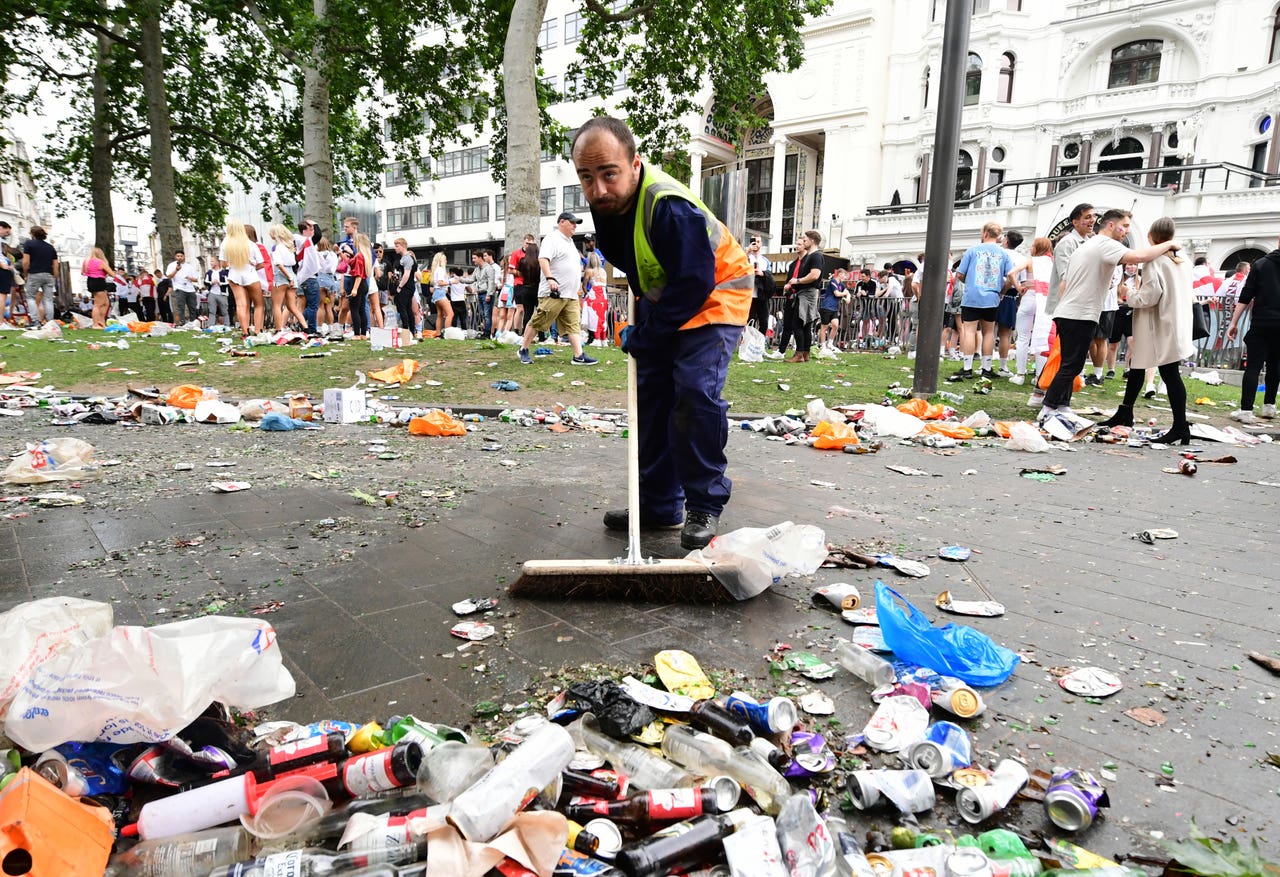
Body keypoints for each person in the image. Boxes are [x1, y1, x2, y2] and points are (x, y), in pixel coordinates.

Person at [573, 115, 752, 550]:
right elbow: (640, 263)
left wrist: (650, 335)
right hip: (669, 299)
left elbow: (694, 281)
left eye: (609, 173)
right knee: (651, 398)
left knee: (693, 392)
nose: (598, 189)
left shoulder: (670, 206)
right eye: (586, 177)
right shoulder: (608, 205)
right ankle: (657, 505)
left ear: (635, 164)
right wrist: (648, 327)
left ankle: (703, 503)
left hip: (716, 296)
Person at [1041, 209, 1180, 421]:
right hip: (1079, 313)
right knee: (1072, 364)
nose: (1127, 231)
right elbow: (1139, 257)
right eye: (1124, 226)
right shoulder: (1105, 243)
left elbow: (1064, 284)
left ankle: (1062, 404)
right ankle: (1049, 407)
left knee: (1071, 362)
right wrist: (1169, 244)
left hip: (1071, 311)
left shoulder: (1088, 245)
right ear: (1111, 225)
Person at [1096, 218, 1194, 444]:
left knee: (1169, 373)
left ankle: (1180, 426)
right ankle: (1126, 411)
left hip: (1157, 322)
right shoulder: (1184, 261)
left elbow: (1149, 297)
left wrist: (1127, 294)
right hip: (1173, 320)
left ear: (1150, 236)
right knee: (1139, 365)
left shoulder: (1155, 261)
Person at [517, 212, 599, 366]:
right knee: (539, 321)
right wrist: (549, 278)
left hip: (571, 294)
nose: (575, 226)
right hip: (554, 292)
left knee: (573, 325)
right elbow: (543, 259)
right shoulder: (552, 239)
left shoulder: (570, 242)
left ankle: (578, 356)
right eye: (572, 223)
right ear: (562, 222)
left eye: (576, 224)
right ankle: (523, 349)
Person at [949, 222, 1015, 381]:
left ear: (985, 233)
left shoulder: (972, 251)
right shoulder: (1004, 254)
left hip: (972, 296)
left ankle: (967, 367)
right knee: (989, 332)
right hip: (992, 298)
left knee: (969, 331)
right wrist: (1002, 291)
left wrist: (968, 283)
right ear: (998, 236)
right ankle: (986, 367)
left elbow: (960, 274)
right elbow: (1010, 277)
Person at [1226, 235, 1280, 423]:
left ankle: (1246, 410)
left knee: (1254, 366)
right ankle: (1269, 406)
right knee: (1276, 364)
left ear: (1279, 240)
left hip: (1262, 321)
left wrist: (1233, 322)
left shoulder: (1261, 265)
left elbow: (1246, 296)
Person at [1007, 237, 1053, 386]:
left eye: (1033, 245)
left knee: (1023, 337)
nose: (1030, 248)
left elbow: (1011, 273)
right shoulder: (1052, 263)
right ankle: (1039, 376)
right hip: (1045, 300)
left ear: (1037, 247)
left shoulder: (1030, 261)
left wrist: (1019, 288)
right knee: (1042, 337)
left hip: (1029, 297)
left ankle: (1020, 374)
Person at [995, 229, 1023, 374]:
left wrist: (1002, 292)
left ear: (1006, 240)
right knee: (1005, 332)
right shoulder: (1021, 258)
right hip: (1011, 295)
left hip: (997, 292)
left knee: (989, 330)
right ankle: (1003, 366)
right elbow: (1021, 281)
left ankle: (985, 364)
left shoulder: (998, 253)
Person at [268, 224, 305, 331]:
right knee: (292, 306)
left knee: (277, 305)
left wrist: (288, 278)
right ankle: (305, 327)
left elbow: (279, 264)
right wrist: (291, 278)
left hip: (282, 275)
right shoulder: (289, 247)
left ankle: (279, 329)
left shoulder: (276, 248)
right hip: (291, 273)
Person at [21, 226, 59, 326]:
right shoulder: (50, 247)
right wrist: (54, 277)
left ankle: (35, 320)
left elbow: (25, 262)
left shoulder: (29, 244)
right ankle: (50, 322)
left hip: (34, 273)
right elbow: (55, 265)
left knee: (30, 297)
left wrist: (25, 274)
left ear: (32, 234)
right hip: (48, 275)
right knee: (48, 299)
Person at [81, 247, 116, 328]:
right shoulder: (101, 262)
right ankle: (96, 323)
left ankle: (101, 321)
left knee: (106, 303)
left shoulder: (86, 262)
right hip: (99, 281)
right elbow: (112, 274)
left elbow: (82, 272)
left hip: (90, 281)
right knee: (98, 304)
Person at [391, 238, 418, 337]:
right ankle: (411, 331)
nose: (395, 248)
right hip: (408, 286)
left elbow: (406, 274)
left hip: (406, 287)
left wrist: (400, 286)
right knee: (407, 308)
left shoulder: (407, 258)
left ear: (403, 246)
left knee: (403, 308)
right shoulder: (405, 258)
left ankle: (407, 330)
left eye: (397, 246)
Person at [746, 236, 773, 333]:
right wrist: (747, 251)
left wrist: (762, 273)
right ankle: (749, 340)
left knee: (764, 322)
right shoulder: (746, 257)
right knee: (750, 322)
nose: (755, 244)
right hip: (749, 295)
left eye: (758, 241)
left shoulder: (765, 261)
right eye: (753, 241)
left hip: (762, 295)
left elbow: (770, 277)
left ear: (761, 244)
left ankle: (760, 340)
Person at [583, 251, 610, 346]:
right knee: (603, 318)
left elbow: (584, 285)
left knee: (594, 318)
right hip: (604, 295)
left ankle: (597, 339)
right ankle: (603, 339)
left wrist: (586, 293)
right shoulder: (603, 271)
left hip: (594, 295)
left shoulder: (589, 271)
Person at [165, 250, 200, 325]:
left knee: (192, 307)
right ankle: (182, 322)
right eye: (178, 256)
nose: (180, 258)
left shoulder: (189, 266)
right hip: (179, 288)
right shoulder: (172, 265)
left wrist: (189, 278)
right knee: (180, 306)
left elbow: (196, 279)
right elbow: (169, 276)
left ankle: (193, 322)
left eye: (181, 256)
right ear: (175, 257)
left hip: (190, 289)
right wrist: (176, 270)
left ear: (184, 257)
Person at [818, 267, 848, 352]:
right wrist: (844, 293)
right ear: (840, 274)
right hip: (826, 307)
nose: (845, 277)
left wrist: (848, 297)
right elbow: (837, 293)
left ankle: (830, 344)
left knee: (835, 325)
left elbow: (847, 292)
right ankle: (823, 345)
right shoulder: (833, 282)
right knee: (824, 327)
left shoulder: (841, 284)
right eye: (844, 275)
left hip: (834, 308)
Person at [316, 237, 340, 332]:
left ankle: (319, 328)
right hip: (331, 279)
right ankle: (331, 328)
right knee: (329, 307)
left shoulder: (317, 254)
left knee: (321, 306)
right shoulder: (333, 254)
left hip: (321, 278)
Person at [427, 252, 452, 337]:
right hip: (440, 292)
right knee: (450, 314)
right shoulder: (441, 270)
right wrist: (451, 282)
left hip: (436, 293)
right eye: (445, 259)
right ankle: (447, 334)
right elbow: (440, 283)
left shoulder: (436, 270)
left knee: (440, 315)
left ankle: (438, 334)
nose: (446, 261)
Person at [0, 222, 14, 326]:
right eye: (6, 231)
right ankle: (0, 322)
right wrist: (2, 264)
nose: (7, 234)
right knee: (2, 296)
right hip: (2, 269)